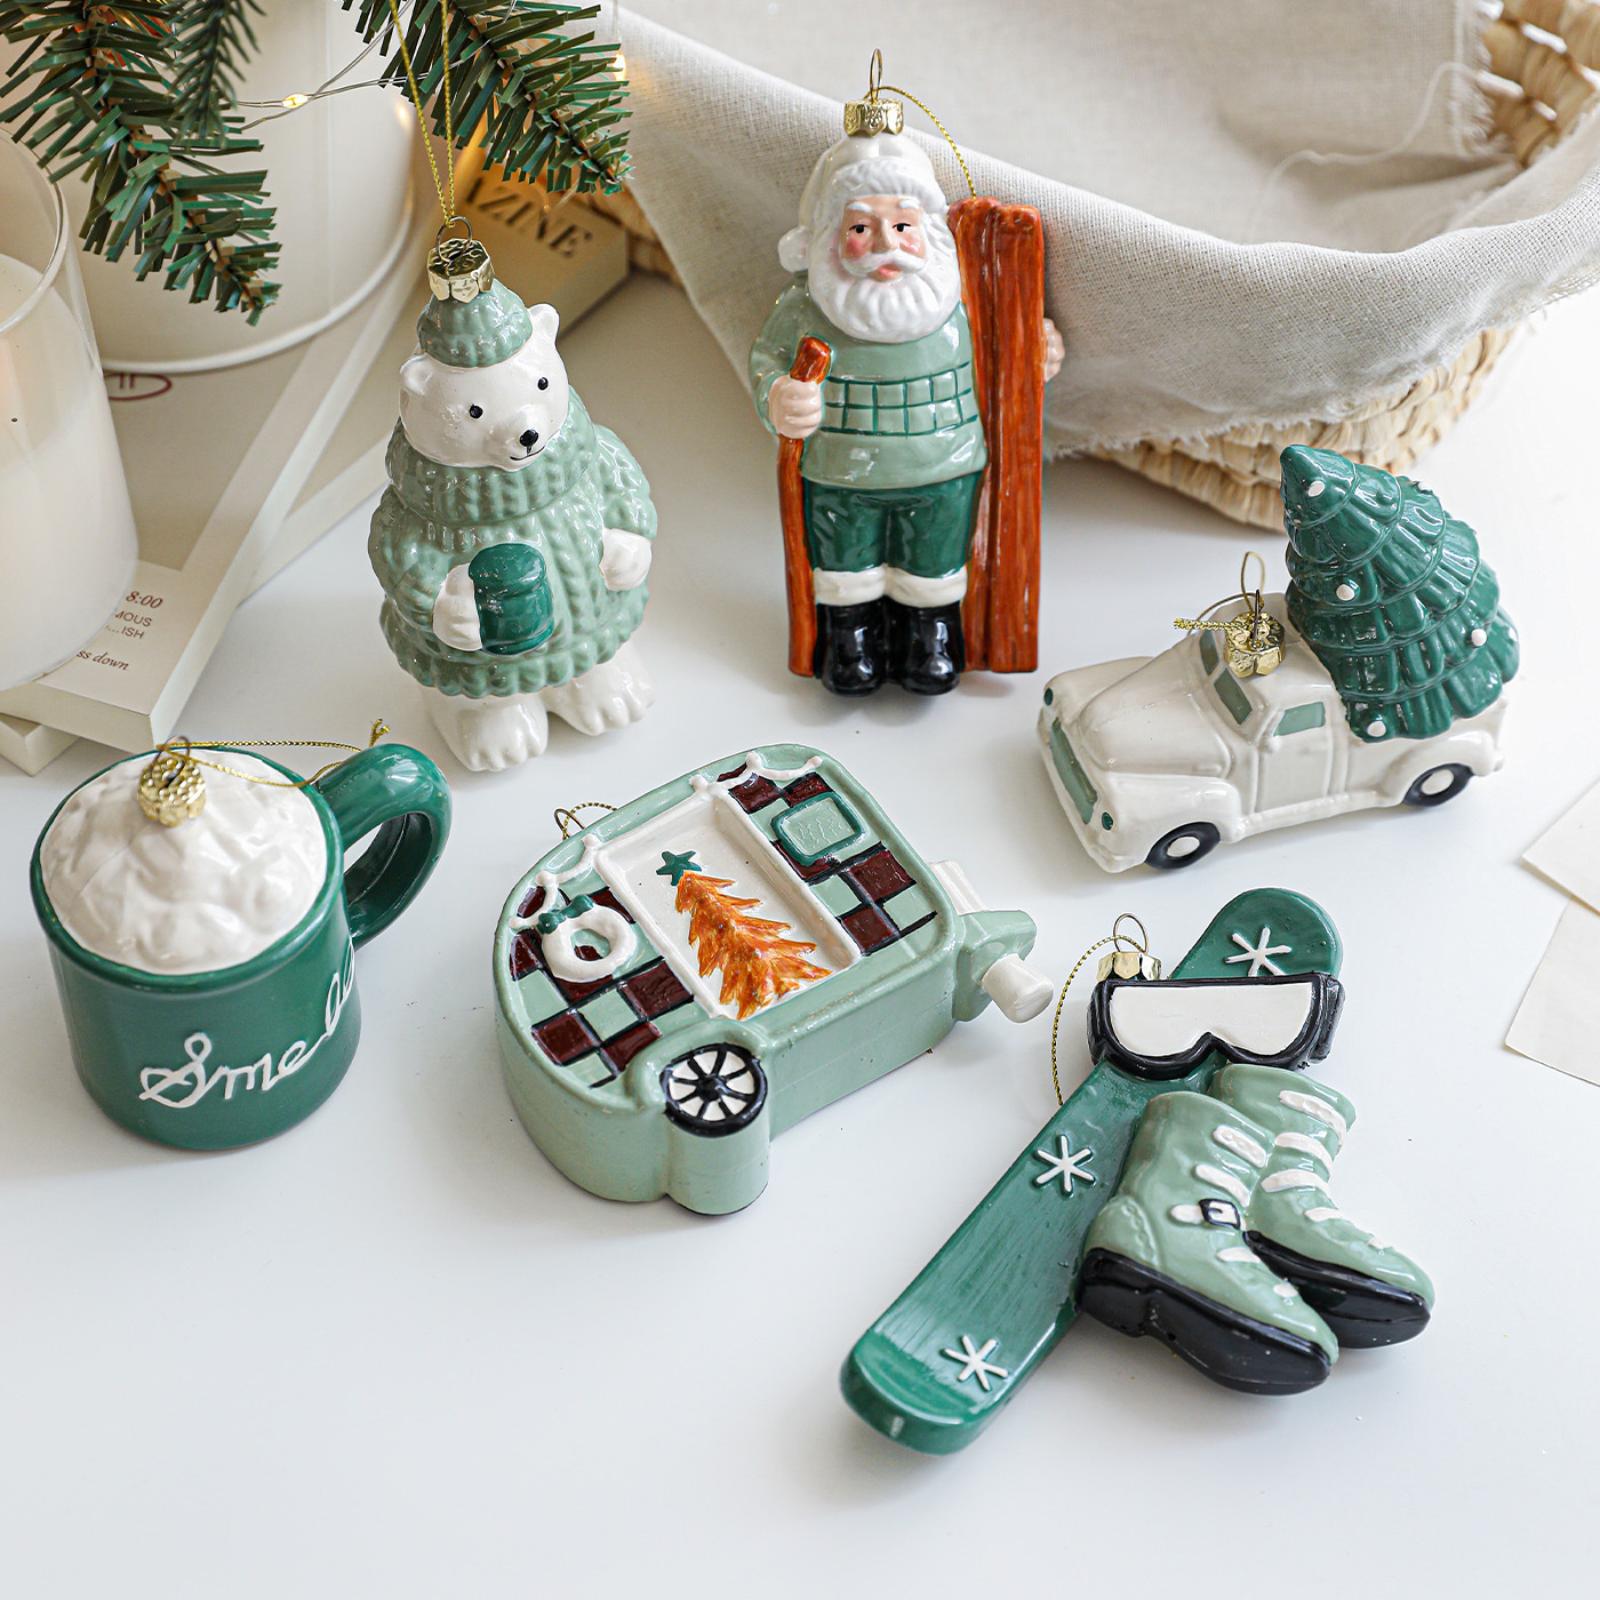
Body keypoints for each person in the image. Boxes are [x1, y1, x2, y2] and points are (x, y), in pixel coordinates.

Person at [751, 129, 1063, 695]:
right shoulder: (805, 305)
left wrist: (1034, 350)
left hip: (945, 465)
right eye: (860, 229)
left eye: (901, 226)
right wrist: (778, 394)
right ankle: (849, 640)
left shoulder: (962, 295)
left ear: (928, 231)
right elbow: (767, 359)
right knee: (844, 561)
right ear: (829, 237)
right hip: (841, 469)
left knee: (934, 559)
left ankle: (931, 638)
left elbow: (1003, 352)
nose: (884, 245)